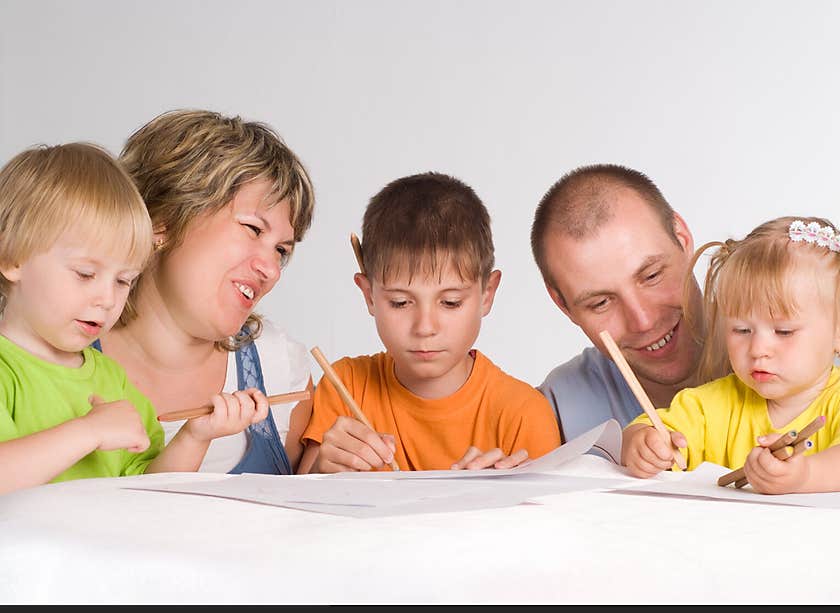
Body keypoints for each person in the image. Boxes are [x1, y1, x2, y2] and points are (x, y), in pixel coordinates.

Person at [531, 164, 840, 457]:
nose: (643, 320)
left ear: (682, 239)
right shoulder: (551, 411)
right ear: (563, 304)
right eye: (601, 302)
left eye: (651, 276)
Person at [0, 143, 265, 494]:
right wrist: (88, 431)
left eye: (124, 280)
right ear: (12, 258)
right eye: (85, 274)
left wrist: (194, 437)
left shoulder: (111, 380)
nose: (108, 299)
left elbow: (148, 493)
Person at [97, 109, 316, 475]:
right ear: (162, 219)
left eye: (282, 250)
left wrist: (326, 469)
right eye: (252, 229)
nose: (272, 269)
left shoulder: (282, 369)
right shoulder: (43, 356)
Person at [301, 171, 561, 472]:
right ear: (369, 295)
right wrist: (322, 469)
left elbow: (549, 517)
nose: (425, 327)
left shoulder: (524, 414)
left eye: (450, 303)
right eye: (400, 302)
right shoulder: (345, 385)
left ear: (487, 294)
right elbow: (299, 502)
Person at [621, 217, 840, 493]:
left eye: (783, 331)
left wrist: (803, 477)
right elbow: (652, 428)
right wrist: (642, 444)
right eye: (742, 330)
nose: (758, 349)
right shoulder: (709, 404)